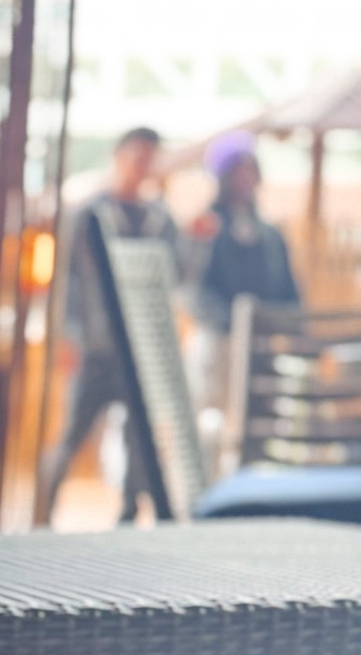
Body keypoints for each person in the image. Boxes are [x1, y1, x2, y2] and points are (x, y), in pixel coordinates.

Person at [37, 126, 180, 525]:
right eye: (136, 155)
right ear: (119, 156)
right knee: (72, 432)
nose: (141, 165)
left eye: (149, 157)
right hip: (95, 346)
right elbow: (67, 281)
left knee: (139, 437)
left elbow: (177, 276)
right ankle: (43, 512)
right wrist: (70, 335)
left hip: (140, 347)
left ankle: (130, 512)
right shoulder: (90, 215)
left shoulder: (161, 220)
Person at [185, 131, 301, 425]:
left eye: (249, 170)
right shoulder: (205, 227)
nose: (244, 179)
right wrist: (229, 325)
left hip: (262, 344)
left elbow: (287, 288)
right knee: (212, 419)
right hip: (219, 342)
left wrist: (284, 325)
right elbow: (194, 287)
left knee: (260, 419)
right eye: (237, 171)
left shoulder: (270, 234)